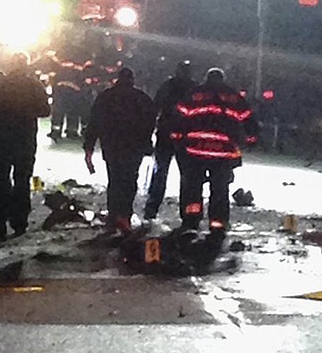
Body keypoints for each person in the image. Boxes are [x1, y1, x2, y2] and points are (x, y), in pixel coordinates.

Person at [174, 68, 259, 240]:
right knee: (220, 188)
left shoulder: (194, 94)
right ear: (222, 79)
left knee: (192, 187)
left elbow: (179, 118)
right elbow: (249, 118)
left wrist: (177, 138)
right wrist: (251, 138)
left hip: (196, 150)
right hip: (223, 153)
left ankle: (191, 220)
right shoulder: (233, 96)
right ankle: (217, 223)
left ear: (206, 78)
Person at [83, 67, 156, 233]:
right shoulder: (141, 98)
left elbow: (94, 123)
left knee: (114, 180)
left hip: (112, 146)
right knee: (130, 181)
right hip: (133, 147)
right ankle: (125, 215)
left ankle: (114, 216)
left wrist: (89, 149)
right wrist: (146, 143)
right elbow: (150, 123)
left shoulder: (106, 97)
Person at [0, 52, 51, 238]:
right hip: (25, 138)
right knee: (22, 180)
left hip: (3, 137)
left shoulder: (1, 85)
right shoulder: (34, 85)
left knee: (1, 179)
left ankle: (1, 221)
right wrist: (28, 111)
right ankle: (20, 221)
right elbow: (45, 110)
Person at [144, 60, 196, 220]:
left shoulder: (167, 86)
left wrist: (149, 134)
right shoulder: (194, 89)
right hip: (185, 137)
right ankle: (187, 213)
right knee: (186, 176)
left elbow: (155, 108)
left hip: (167, 133)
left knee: (160, 172)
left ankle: (152, 208)